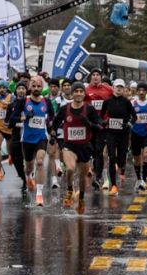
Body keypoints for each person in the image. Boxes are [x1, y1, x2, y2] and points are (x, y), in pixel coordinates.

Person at [51, 82, 102, 215]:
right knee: (70, 168)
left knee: (82, 177)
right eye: (76, 91)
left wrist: (89, 123)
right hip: (69, 146)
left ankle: (81, 199)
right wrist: (52, 134)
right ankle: (69, 190)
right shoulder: (65, 109)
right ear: (72, 93)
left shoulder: (89, 109)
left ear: (84, 94)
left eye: (81, 91)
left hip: (85, 146)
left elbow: (99, 126)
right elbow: (54, 124)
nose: (78, 93)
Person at [21, 76, 54, 206]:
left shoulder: (46, 102)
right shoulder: (24, 101)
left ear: (42, 88)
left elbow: (52, 116)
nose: (36, 88)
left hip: (41, 137)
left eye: (38, 86)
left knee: (40, 162)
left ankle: (39, 194)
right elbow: (13, 117)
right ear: (30, 87)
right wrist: (24, 117)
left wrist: (51, 128)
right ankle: (29, 177)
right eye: (33, 86)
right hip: (27, 139)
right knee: (29, 166)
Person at [101, 79, 136, 196]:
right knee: (112, 158)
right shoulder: (107, 102)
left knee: (121, 160)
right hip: (111, 133)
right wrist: (104, 122)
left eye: (121, 87)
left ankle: (121, 167)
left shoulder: (126, 102)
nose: (119, 89)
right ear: (113, 88)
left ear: (123, 89)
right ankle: (114, 186)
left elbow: (134, 116)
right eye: (117, 87)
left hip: (123, 133)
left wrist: (129, 124)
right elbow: (101, 116)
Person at [85, 68, 113, 190]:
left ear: (101, 77)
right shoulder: (86, 90)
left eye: (98, 75)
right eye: (93, 75)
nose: (95, 77)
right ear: (90, 77)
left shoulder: (108, 90)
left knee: (100, 152)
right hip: (90, 125)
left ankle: (98, 177)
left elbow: (116, 101)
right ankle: (95, 171)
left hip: (104, 125)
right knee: (91, 151)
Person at [130, 82, 147, 192]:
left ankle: (144, 179)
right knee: (136, 160)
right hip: (135, 133)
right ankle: (138, 179)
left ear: (146, 91)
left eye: (143, 90)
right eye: (139, 90)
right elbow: (128, 116)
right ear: (137, 91)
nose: (141, 92)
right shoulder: (132, 103)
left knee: (146, 154)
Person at [6, 81, 29, 192]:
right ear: (16, 91)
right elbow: (9, 122)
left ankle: (29, 177)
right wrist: (19, 120)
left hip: (29, 134)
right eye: (19, 88)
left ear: (26, 90)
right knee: (16, 157)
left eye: (23, 88)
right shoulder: (11, 105)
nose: (21, 90)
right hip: (16, 134)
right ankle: (23, 177)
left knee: (29, 158)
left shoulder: (30, 104)